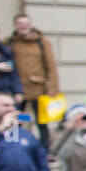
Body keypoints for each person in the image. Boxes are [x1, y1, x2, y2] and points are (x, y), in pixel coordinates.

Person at [8, 14, 58, 148]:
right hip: (18, 90)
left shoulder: (41, 42)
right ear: (15, 26)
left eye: (26, 23)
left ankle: (44, 151)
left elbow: (51, 66)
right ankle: (12, 147)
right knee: (15, 119)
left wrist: (53, 87)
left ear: (30, 25)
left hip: (38, 89)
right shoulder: (10, 42)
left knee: (41, 122)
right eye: (20, 23)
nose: (23, 26)